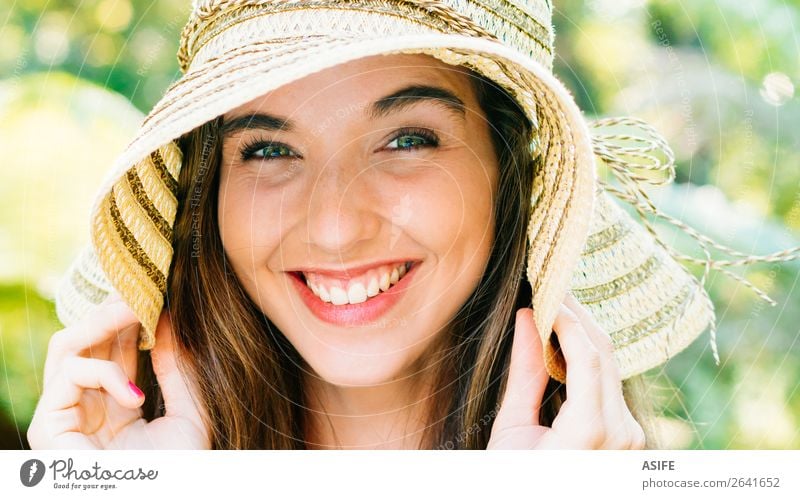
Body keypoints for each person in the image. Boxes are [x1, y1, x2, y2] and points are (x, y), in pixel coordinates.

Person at [29, 0, 794, 450]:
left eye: (407, 139)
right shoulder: (122, 459)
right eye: (267, 148)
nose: (333, 227)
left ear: (512, 175)